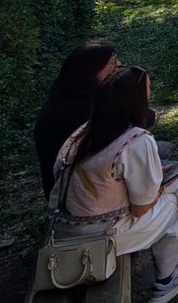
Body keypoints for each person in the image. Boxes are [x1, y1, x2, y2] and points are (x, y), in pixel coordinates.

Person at [51, 66, 178, 303]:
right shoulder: (135, 140)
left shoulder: (83, 133)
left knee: (176, 184)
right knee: (175, 200)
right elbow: (140, 209)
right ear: (135, 100)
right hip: (98, 241)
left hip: (66, 228)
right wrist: (157, 185)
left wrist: (155, 180)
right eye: (147, 89)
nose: (150, 94)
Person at [34, 40, 117, 197]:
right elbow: (124, 135)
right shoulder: (87, 107)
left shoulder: (61, 97)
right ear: (93, 70)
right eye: (112, 63)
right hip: (82, 194)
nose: (117, 66)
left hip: (61, 189)